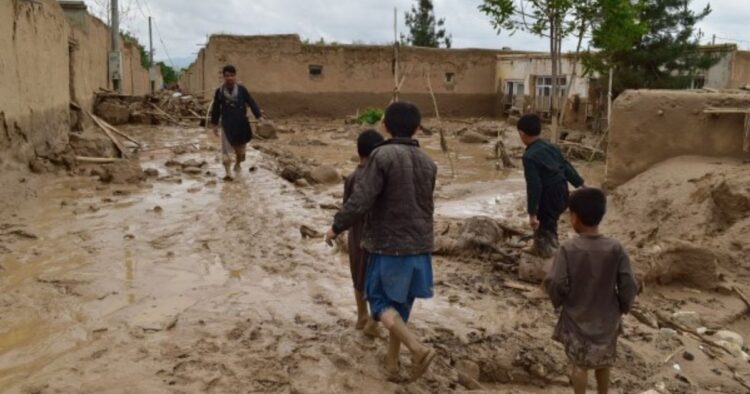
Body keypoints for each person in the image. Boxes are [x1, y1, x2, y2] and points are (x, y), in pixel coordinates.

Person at [325, 102, 437, 381]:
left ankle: (418, 349)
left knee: (378, 304)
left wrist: (336, 226)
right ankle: (391, 364)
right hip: (421, 247)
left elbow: (362, 199)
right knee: (399, 309)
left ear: (385, 126)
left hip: (389, 246)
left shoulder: (382, 155)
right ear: (416, 128)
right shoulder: (428, 162)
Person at [544, 187, 638, 394]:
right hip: (607, 318)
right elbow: (629, 283)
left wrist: (559, 301)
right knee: (604, 363)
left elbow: (555, 281)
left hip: (576, 317)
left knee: (579, 365)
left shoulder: (568, 248)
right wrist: (624, 306)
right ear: (601, 215)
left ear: (574, 217)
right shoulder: (616, 248)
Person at [517, 113, 585, 257]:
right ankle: (543, 246)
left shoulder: (529, 156)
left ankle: (551, 254)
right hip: (562, 192)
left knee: (544, 226)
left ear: (521, 134)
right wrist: (580, 184)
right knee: (550, 222)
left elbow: (534, 185)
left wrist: (532, 213)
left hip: (548, 195)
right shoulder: (551, 146)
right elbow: (566, 166)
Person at [344, 129, 385, 338]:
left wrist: (336, 228)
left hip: (357, 235)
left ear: (359, 152)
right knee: (376, 279)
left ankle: (362, 315)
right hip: (379, 237)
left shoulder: (352, 178)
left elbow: (348, 208)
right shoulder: (382, 178)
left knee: (358, 277)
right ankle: (373, 319)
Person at [209, 64, 265, 180]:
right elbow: (215, 108)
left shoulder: (242, 90)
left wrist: (259, 116)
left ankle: (238, 164)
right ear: (223, 77)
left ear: (235, 76)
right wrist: (214, 125)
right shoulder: (219, 91)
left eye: (232, 75)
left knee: (240, 152)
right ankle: (228, 173)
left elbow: (251, 102)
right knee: (226, 151)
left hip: (241, 124)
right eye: (227, 76)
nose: (229, 78)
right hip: (227, 124)